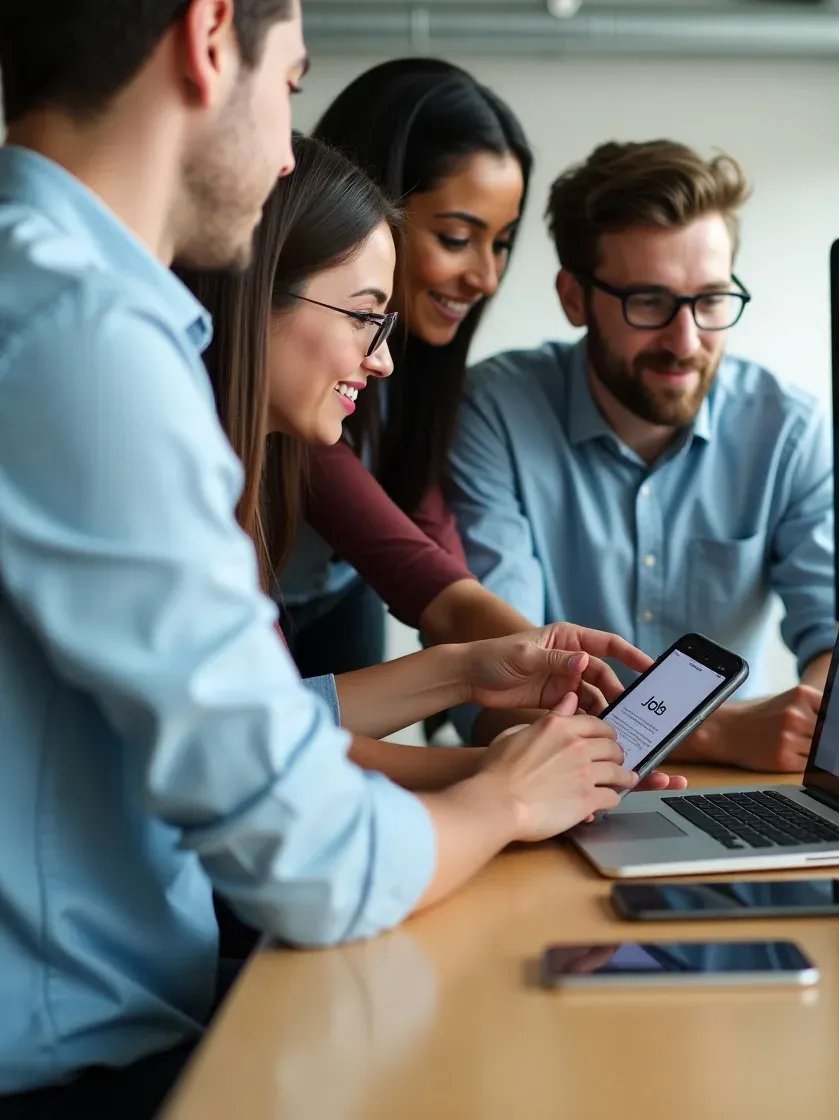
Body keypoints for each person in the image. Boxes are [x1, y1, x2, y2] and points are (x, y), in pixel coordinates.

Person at [0, 5, 638, 1114]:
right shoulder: (84, 340)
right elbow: (314, 862)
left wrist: (463, 676)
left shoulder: (49, 299)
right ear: (210, 37)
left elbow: (208, 726)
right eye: (290, 84)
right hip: (75, 1061)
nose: (290, 152)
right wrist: (498, 802)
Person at [181, 130, 686, 796]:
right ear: (257, 291)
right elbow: (241, 746)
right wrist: (502, 784)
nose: (383, 361)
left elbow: (265, 717)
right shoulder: (179, 494)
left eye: (501, 244)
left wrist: (469, 672)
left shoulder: (231, 469)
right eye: (363, 316)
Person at [447, 140, 838, 772]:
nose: (685, 342)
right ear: (575, 298)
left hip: (737, 784)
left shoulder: (788, 430)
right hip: (541, 783)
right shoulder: (494, 412)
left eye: (711, 300)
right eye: (649, 302)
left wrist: (811, 718)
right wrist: (710, 732)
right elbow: (497, 684)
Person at [275, 58, 537, 680]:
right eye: (456, 238)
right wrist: (571, 671)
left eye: (501, 242)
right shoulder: (297, 377)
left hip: (337, 592)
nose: (487, 277)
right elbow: (417, 570)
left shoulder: (404, 363)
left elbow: (428, 532)